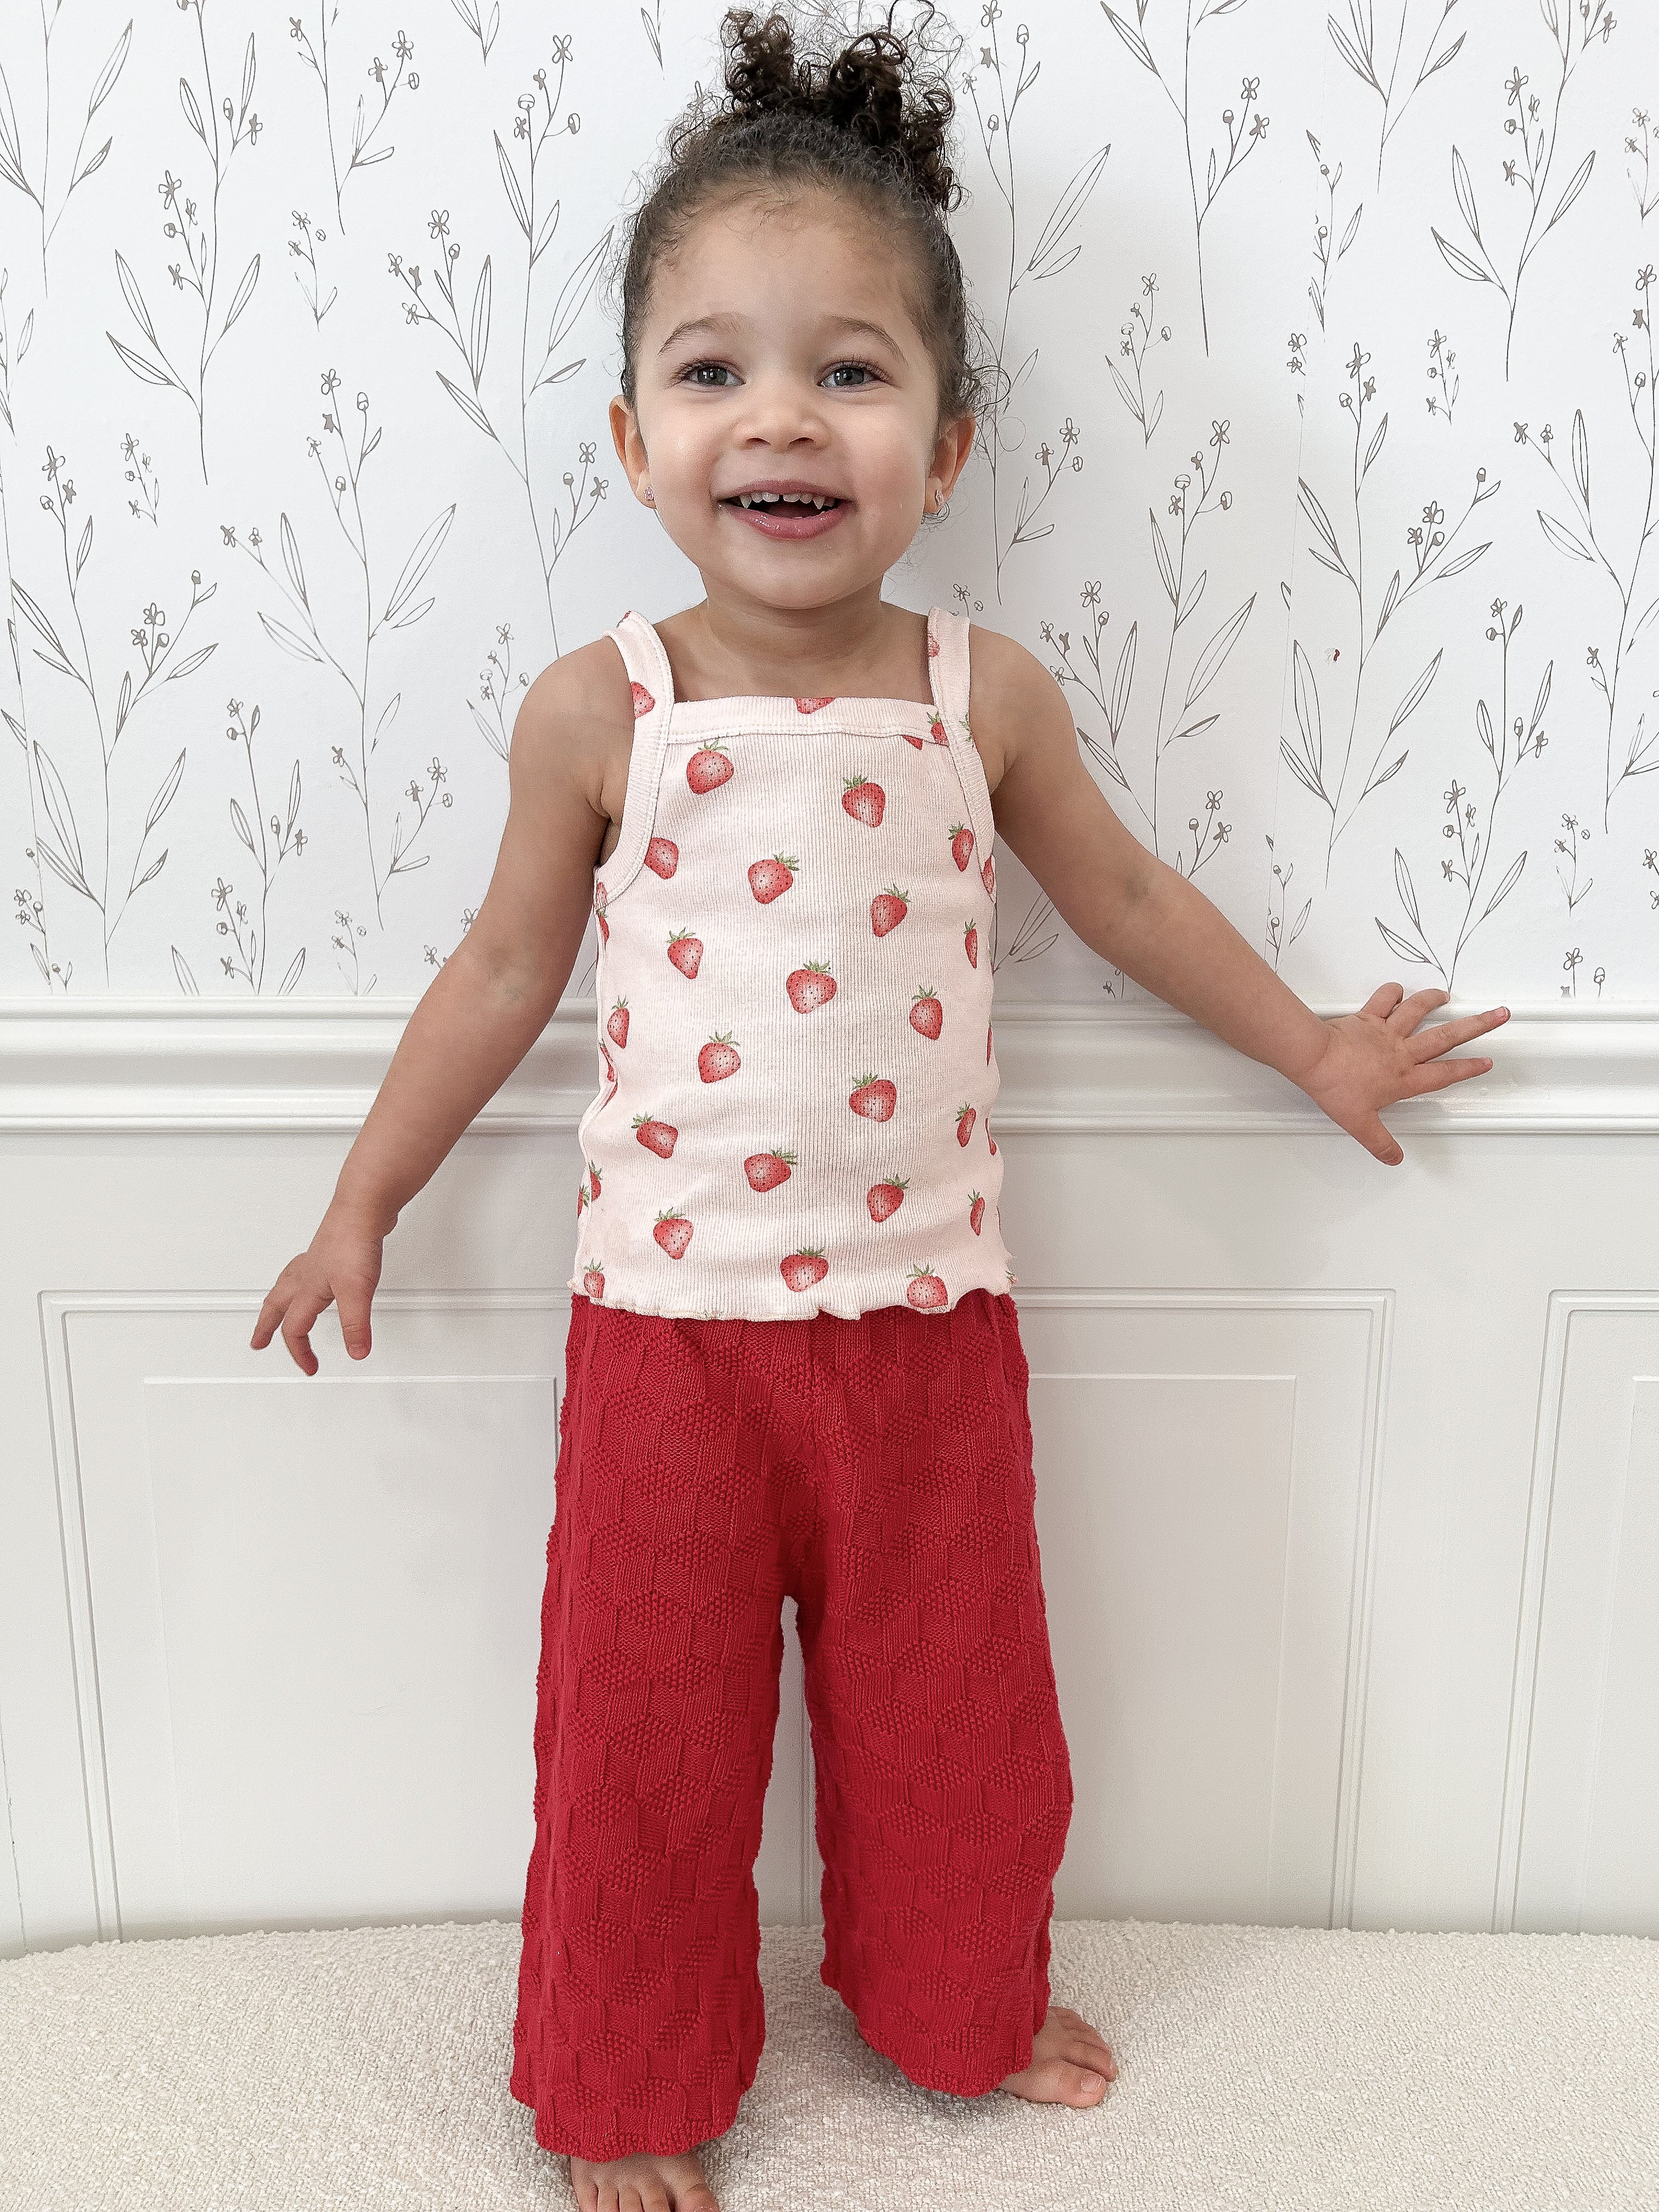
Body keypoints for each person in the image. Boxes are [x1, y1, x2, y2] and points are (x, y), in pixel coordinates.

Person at [251, 5, 1509, 2206]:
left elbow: (1125, 898)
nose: (781, 417)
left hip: (929, 1323)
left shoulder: (978, 696)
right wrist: (364, 1200)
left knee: (954, 1708)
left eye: (850, 369)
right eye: (715, 372)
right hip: (669, 1341)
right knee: (645, 1735)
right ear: (634, 436)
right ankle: (627, 2078)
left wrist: (1314, 1043)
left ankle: (954, 1998)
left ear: (945, 444)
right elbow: (499, 975)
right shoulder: (598, 713)